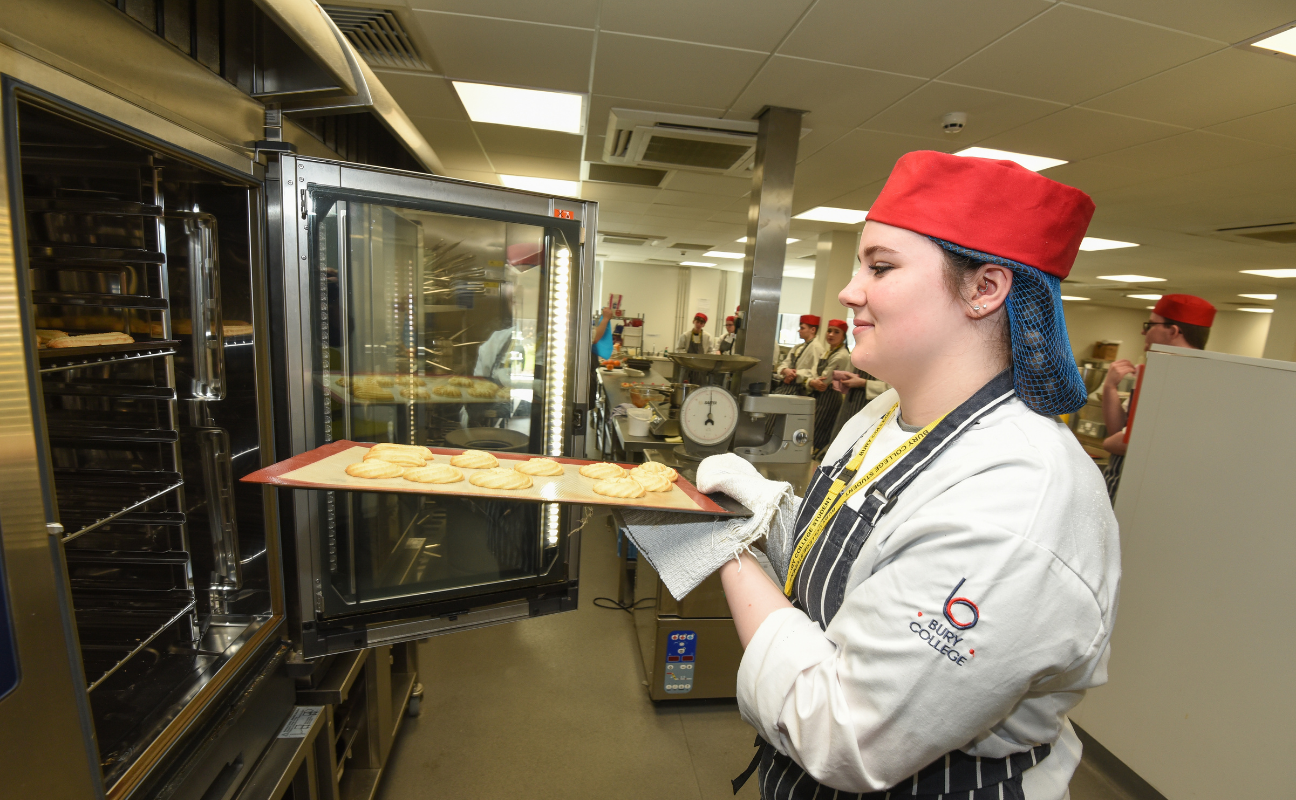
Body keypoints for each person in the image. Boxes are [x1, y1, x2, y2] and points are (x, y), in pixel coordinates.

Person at [721, 151, 1119, 800]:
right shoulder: (881, 413)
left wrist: (725, 550)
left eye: (880, 267)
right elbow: (858, 561)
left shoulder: (1019, 497)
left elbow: (845, 734)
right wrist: (763, 510)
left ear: (985, 290)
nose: (850, 291)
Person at [1100, 294, 1214, 500]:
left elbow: (1133, 442)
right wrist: (1110, 388)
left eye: (1150, 325)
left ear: (1173, 331)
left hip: (1145, 492)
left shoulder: (1194, 380)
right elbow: (1119, 431)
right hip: (1119, 485)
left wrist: (1110, 443)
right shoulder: (1155, 373)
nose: (1143, 331)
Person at [804, 319, 852, 456]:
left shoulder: (841, 355)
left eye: (836, 332)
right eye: (829, 331)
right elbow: (814, 371)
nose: (831, 334)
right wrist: (813, 380)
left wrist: (812, 380)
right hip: (819, 395)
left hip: (829, 398)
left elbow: (824, 380)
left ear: (843, 336)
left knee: (818, 430)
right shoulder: (828, 352)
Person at [828, 365, 889, 442]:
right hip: (850, 402)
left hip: (872, 409)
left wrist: (864, 383)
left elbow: (893, 389)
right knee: (840, 438)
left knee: (859, 442)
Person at [772, 315, 824, 396]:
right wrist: (785, 370)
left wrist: (795, 374)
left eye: (802, 328)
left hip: (799, 389)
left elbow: (815, 372)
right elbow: (784, 364)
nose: (799, 331)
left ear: (813, 330)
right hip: (786, 386)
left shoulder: (817, 348)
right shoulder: (797, 347)